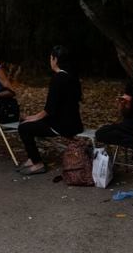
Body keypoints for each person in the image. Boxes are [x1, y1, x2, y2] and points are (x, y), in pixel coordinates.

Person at [16, 46, 83, 175]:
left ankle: (37, 163)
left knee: (23, 128)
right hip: (75, 123)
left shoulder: (58, 78)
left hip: (62, 125)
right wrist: (32, 117)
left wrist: (31, 118)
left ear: (55, 59)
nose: (50, 61)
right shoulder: (72, 76)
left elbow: (49, 109)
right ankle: (32, 158)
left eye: (51, 58)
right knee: (28, 124)